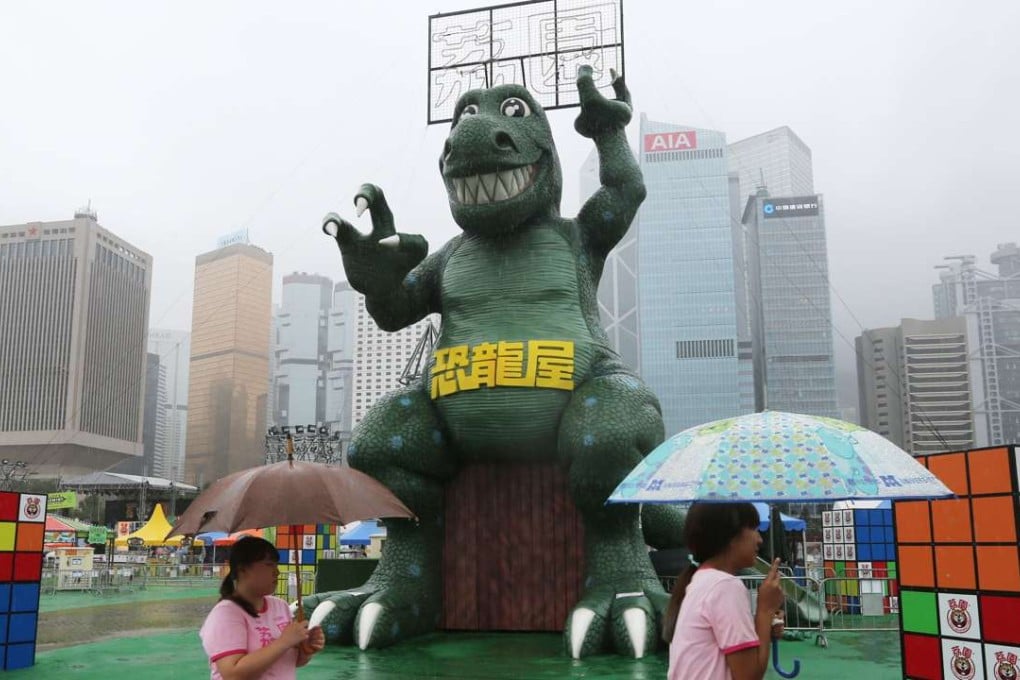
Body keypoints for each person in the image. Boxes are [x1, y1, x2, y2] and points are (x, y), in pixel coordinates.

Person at [663, 502, 786, 680]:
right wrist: (765, 610)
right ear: (730, 537)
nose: (759, 539)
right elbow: (749, 676)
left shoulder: (702, 580)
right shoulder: (725, 586)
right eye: (753, 528)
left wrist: (765, 627)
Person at [200, 536, 325, 680]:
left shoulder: (280, 606)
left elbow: (292, 661)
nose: (276, 572)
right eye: (268, 564)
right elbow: (233, 674)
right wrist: (284, 642)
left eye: (276, 565)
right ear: (243, 570)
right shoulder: (225, 614)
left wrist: (306, 649)